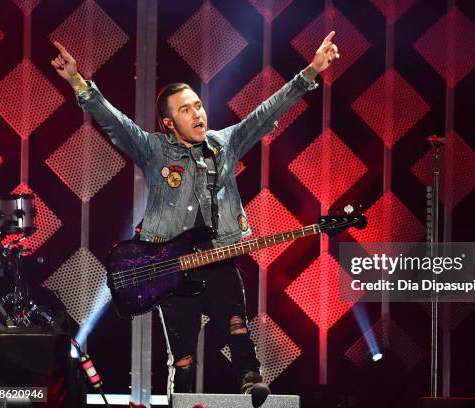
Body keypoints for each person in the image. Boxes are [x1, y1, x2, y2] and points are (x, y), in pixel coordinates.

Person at [50, 32, 339, 405]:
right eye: (185, 109)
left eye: (198, 105)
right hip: (172, 267)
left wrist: (311, 71)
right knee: (183, 355)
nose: (197, 113)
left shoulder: (224, 145)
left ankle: (251, 382)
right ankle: (181, 400)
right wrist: (78, 81)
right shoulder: (155, 150)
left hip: (217, 254)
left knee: (237, 323)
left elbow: (265, 113)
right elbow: (116, 123)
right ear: (169, 123)